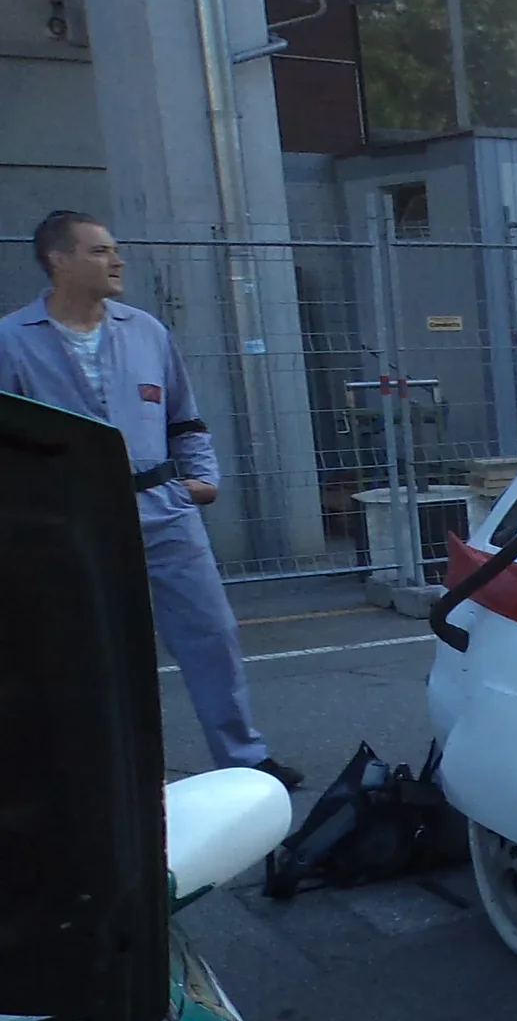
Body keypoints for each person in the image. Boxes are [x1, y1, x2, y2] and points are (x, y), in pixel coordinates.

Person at [0, 212, 300, 787]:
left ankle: (245, 759)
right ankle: (102, 780)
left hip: (164, 513)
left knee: (212, 635)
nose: (117, 261)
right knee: (84, 651)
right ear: (57, 261)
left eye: (114, 250)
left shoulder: (145, 331)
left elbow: (185, 419)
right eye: (100, 252)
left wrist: (203, 479)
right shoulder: (13, 342)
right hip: (72, 525)